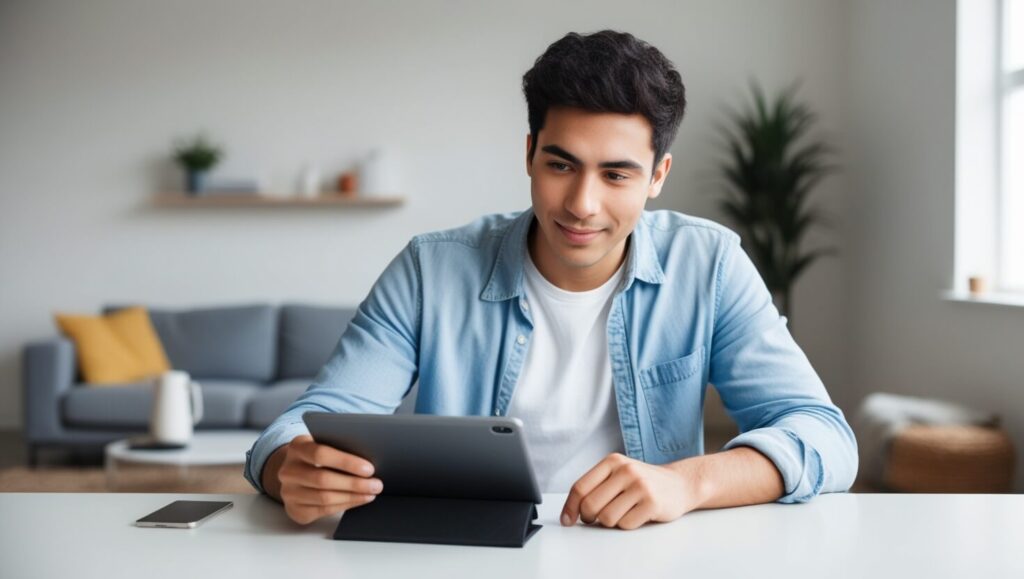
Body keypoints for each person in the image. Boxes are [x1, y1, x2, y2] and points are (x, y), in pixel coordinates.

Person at [244, 30, 858, 530]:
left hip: (643, 557)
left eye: (616, 175)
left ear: (658, 175)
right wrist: (288, 469)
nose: (582, 204)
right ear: (530, 152)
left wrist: (686, 483)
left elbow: (824, 435)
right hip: (469, 557)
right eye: (561, 165)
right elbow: (301, 425)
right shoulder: (432, 269)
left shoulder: (710, 264)